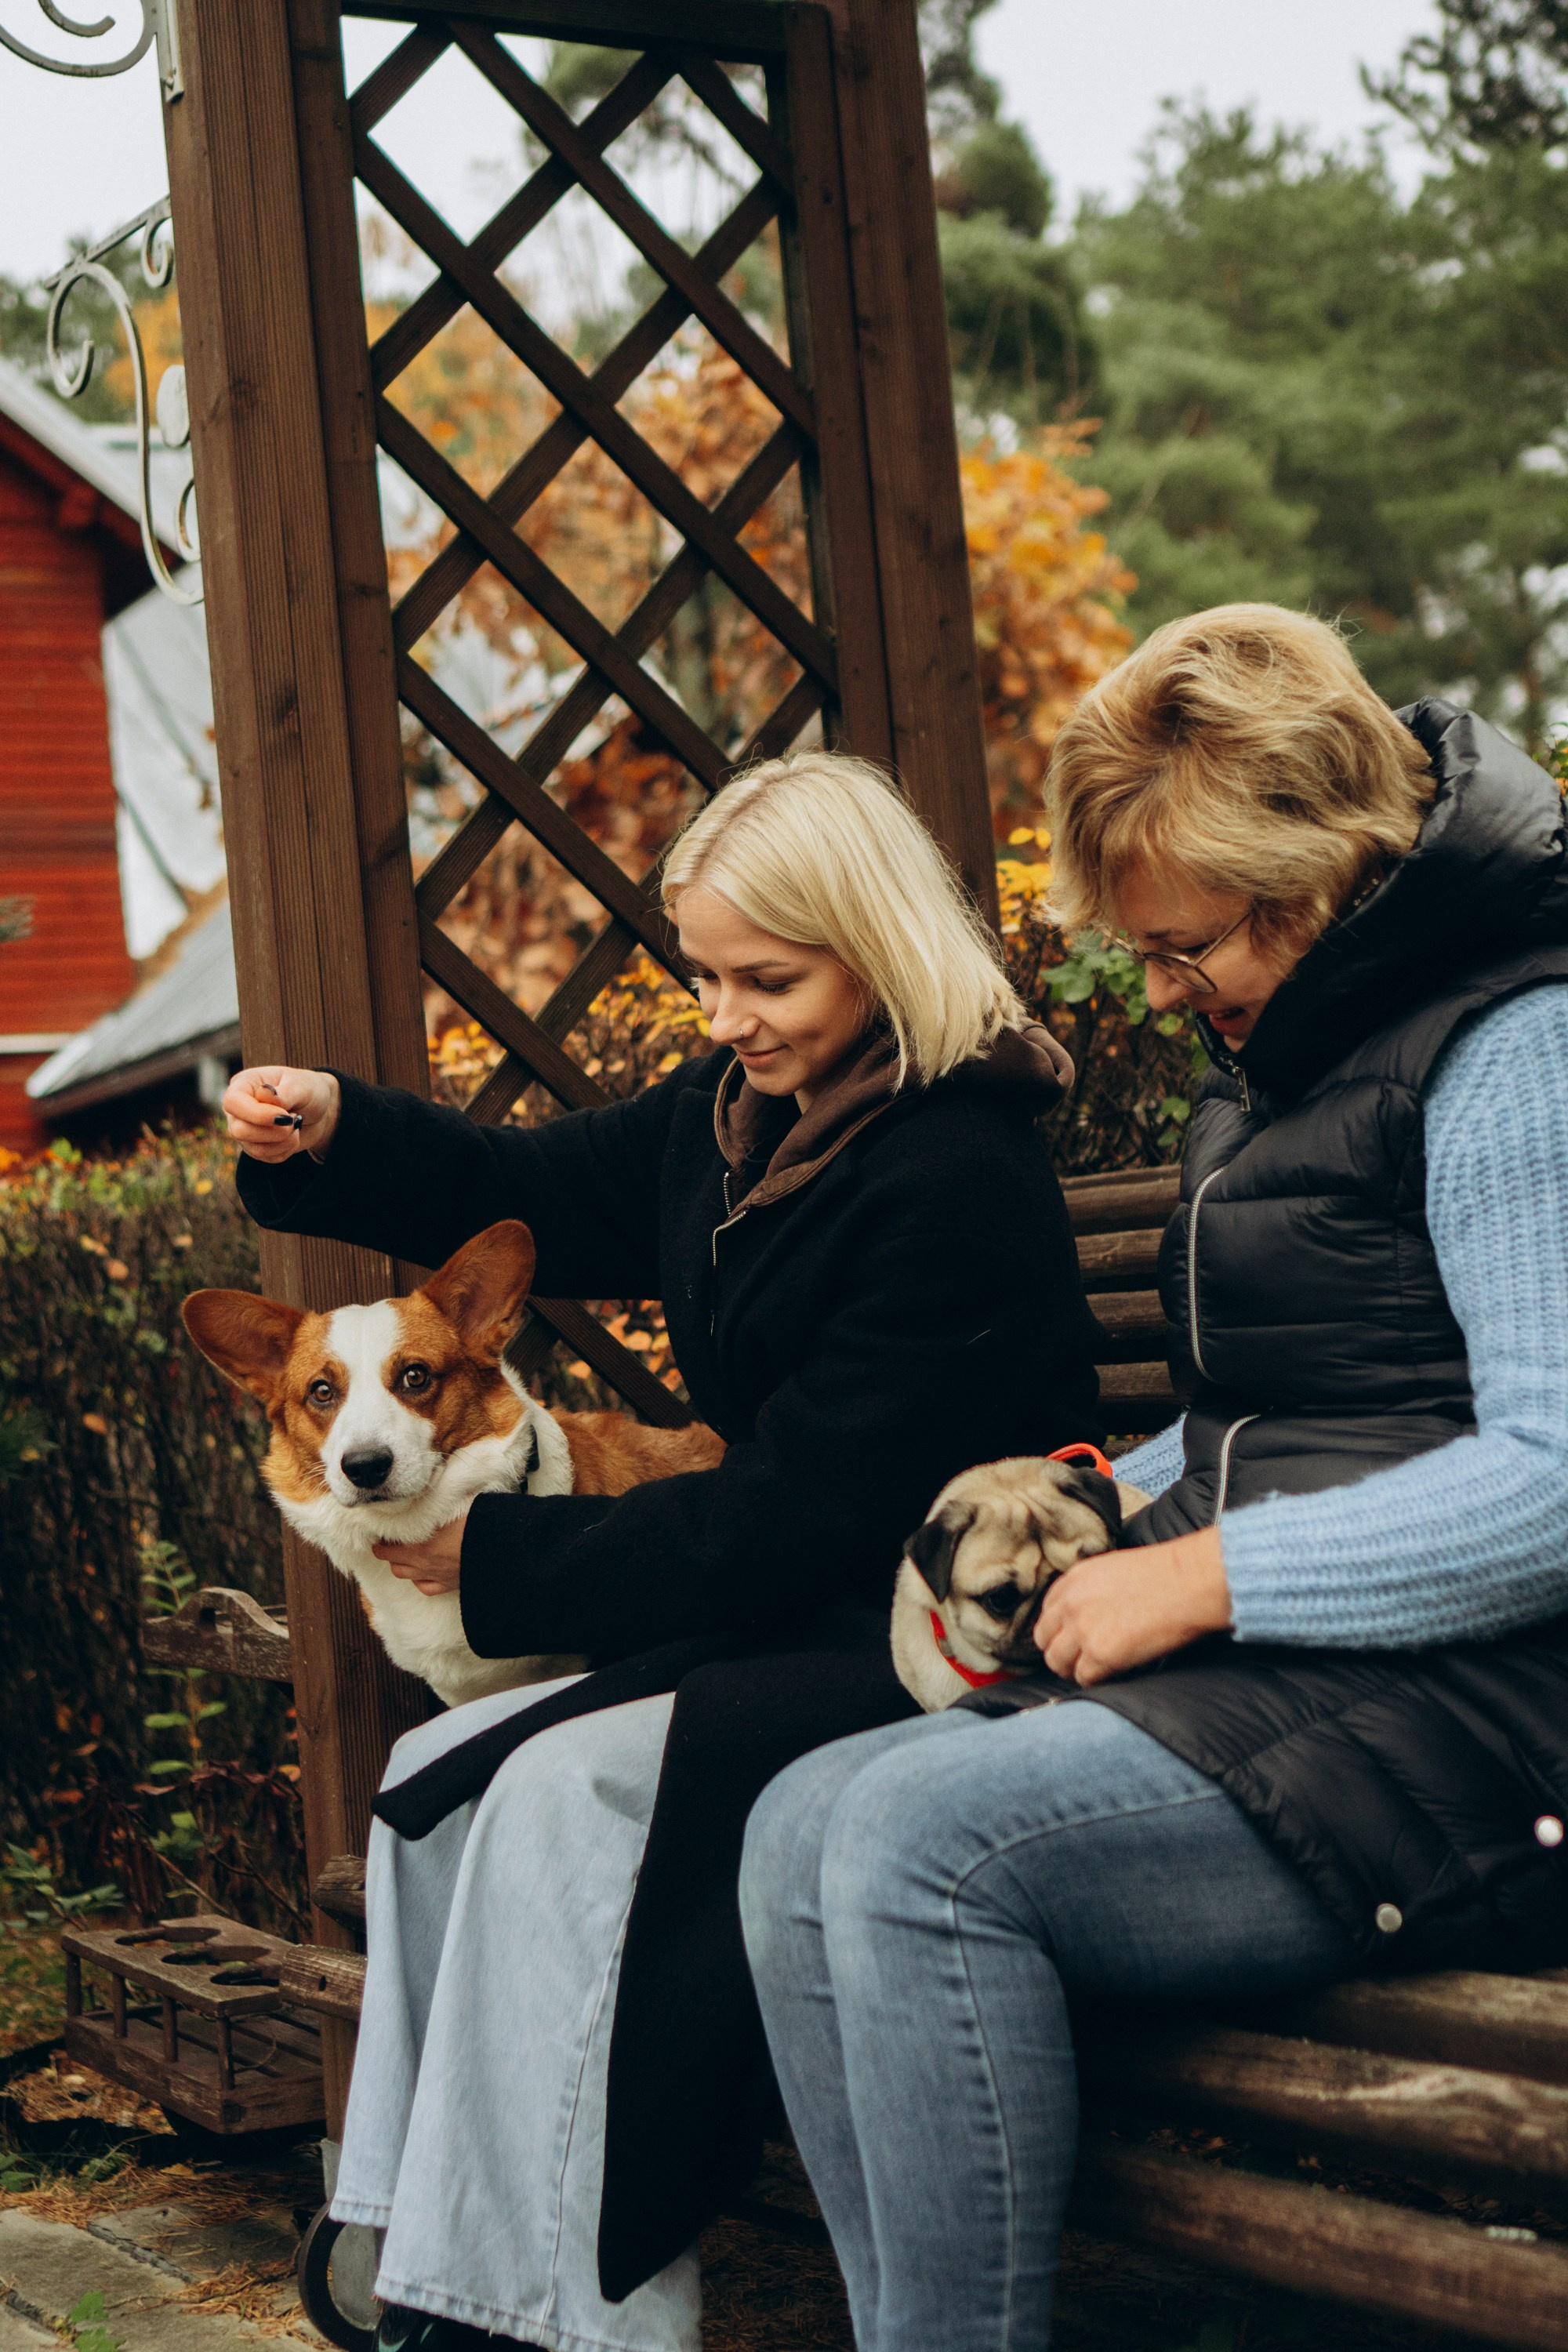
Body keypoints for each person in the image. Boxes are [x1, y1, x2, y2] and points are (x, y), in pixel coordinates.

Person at [739, 605, 1568, 2352]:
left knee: (909, 1840)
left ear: (1315, 875)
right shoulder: (1277, 1062)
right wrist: (1081, 1492)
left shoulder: (1512, 1051)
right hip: (1327, 1690)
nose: (1162, 991)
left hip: (1494, 1715)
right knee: (796, 1820)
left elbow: (1553, 1481)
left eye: (1184, 948)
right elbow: (1267, 1421)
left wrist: (1198, 1579)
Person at [223, 752, 1102, 2352]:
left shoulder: (952, 1169)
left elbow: (806, 1508)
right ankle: (418, 2246)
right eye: (704, 975)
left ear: (878, 943)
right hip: (787, 1606)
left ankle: (576, 2313)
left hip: (931, 1635)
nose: (724, 1016)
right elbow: (511, 1182)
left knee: (554, 1790)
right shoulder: (740, 1116)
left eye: (766, 977)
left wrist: (507, 1569)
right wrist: (332, 1130)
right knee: (436, 1788)